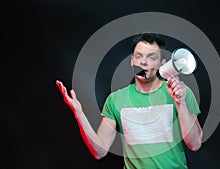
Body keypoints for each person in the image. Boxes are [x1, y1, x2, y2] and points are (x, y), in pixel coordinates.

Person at [56, 33, 203, 169]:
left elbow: (194, 144)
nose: (143, 63)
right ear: (132, 61)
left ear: (162, 63)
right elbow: (99, 151)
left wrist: (180, 103)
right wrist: (78, 113)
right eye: (138, 56)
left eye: (151, 57)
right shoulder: (115, 99)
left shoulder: (180, 93)